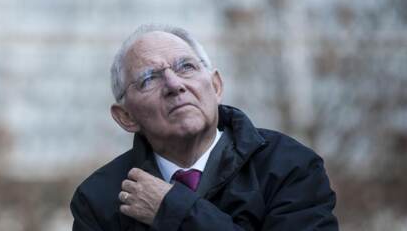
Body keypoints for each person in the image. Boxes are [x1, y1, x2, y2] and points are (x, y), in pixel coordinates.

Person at [70, 24, 338, 230]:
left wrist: (173, 209)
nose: (175, 85)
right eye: (149, 78)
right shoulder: (99, 199)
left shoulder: (290, 167)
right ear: (126, 117)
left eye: (186, 67)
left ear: (216, 86)